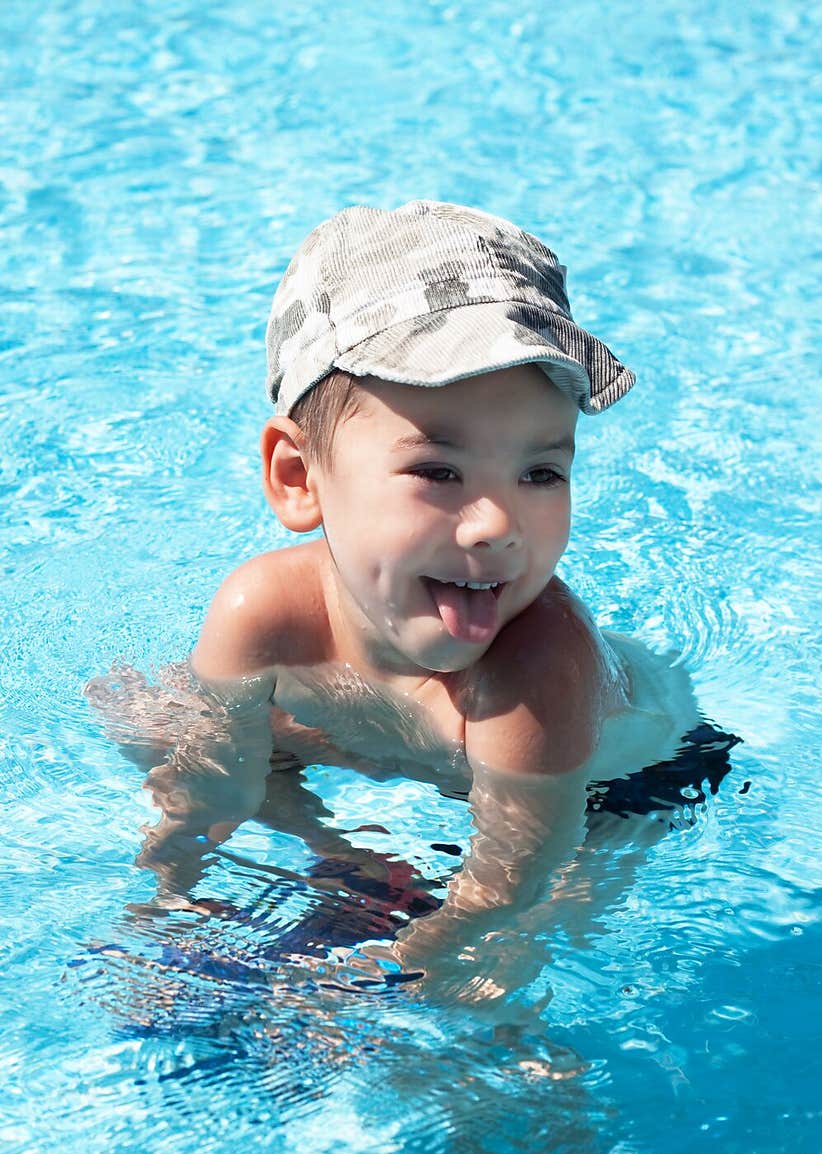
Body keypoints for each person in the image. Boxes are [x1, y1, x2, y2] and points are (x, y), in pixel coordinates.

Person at [87, 200, 738, 996]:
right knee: (152, 717)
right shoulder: (262, 614)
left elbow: (506, 887)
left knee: (503, 972)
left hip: (617, 791)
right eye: (438, 471)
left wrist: (368, 975)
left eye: (541, 472)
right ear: (299, 479)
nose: (498, 524)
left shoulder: (537, 673)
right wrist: (169, 894)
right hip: (398, 739)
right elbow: (214, 782)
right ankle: (353, 866)